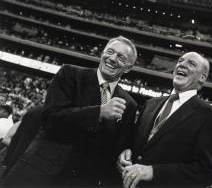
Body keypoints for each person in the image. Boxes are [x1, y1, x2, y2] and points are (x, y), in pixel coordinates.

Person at [1, 36, 138, 187]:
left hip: (79, 181)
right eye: (110, 51)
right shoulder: (70, 74)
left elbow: (117, 147)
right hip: (37, 172)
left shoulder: (129, 104)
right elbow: (50, 118)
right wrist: (98, 112)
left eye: (121, 57)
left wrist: (124, 153)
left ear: (128, 67)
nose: (112, 58)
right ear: (102, 53)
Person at [117, 52, 212, 188]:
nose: (182, 64)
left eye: (191, 63)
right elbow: (134, 144)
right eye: (180, 61)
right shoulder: (150, 104)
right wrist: (125, 152)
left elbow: (206, 172)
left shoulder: (210, 116)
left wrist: (153, 172)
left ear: (202, 78)